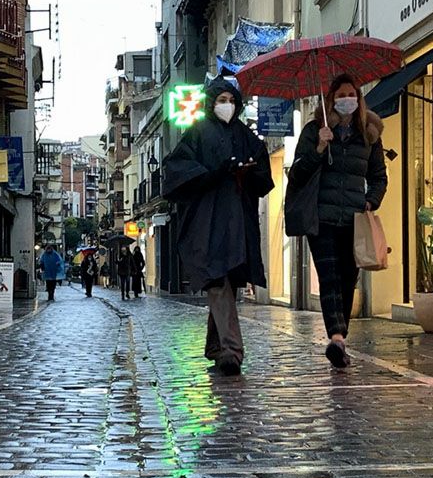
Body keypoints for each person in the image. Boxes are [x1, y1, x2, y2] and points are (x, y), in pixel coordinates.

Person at [163, 76, 273, 376]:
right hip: (207, 219)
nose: (227, 106)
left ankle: (216, 346)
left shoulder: (245, 135)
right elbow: (178, 171)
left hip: (238, 218)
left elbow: (263, 178)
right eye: (221, 100)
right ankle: (232, 351)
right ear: (212, 103)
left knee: (227, 279)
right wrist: (214, 173)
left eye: (231, 101)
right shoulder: (197, 133)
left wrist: (246, 171)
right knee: (217, 278)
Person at [287, 74, 388, 369]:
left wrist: (372, 199)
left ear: (358, 98)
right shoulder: (314, 130)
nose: (347, 99)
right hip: (323, 219)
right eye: (341, 94)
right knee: (329, 278)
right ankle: (336, 338)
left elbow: (379, 175)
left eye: (351, 94)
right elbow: (297, 175)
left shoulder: (369, 133)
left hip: (354, 219)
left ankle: (340, 336)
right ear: (331, 99)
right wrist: (319, 148)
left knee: (347, 280)